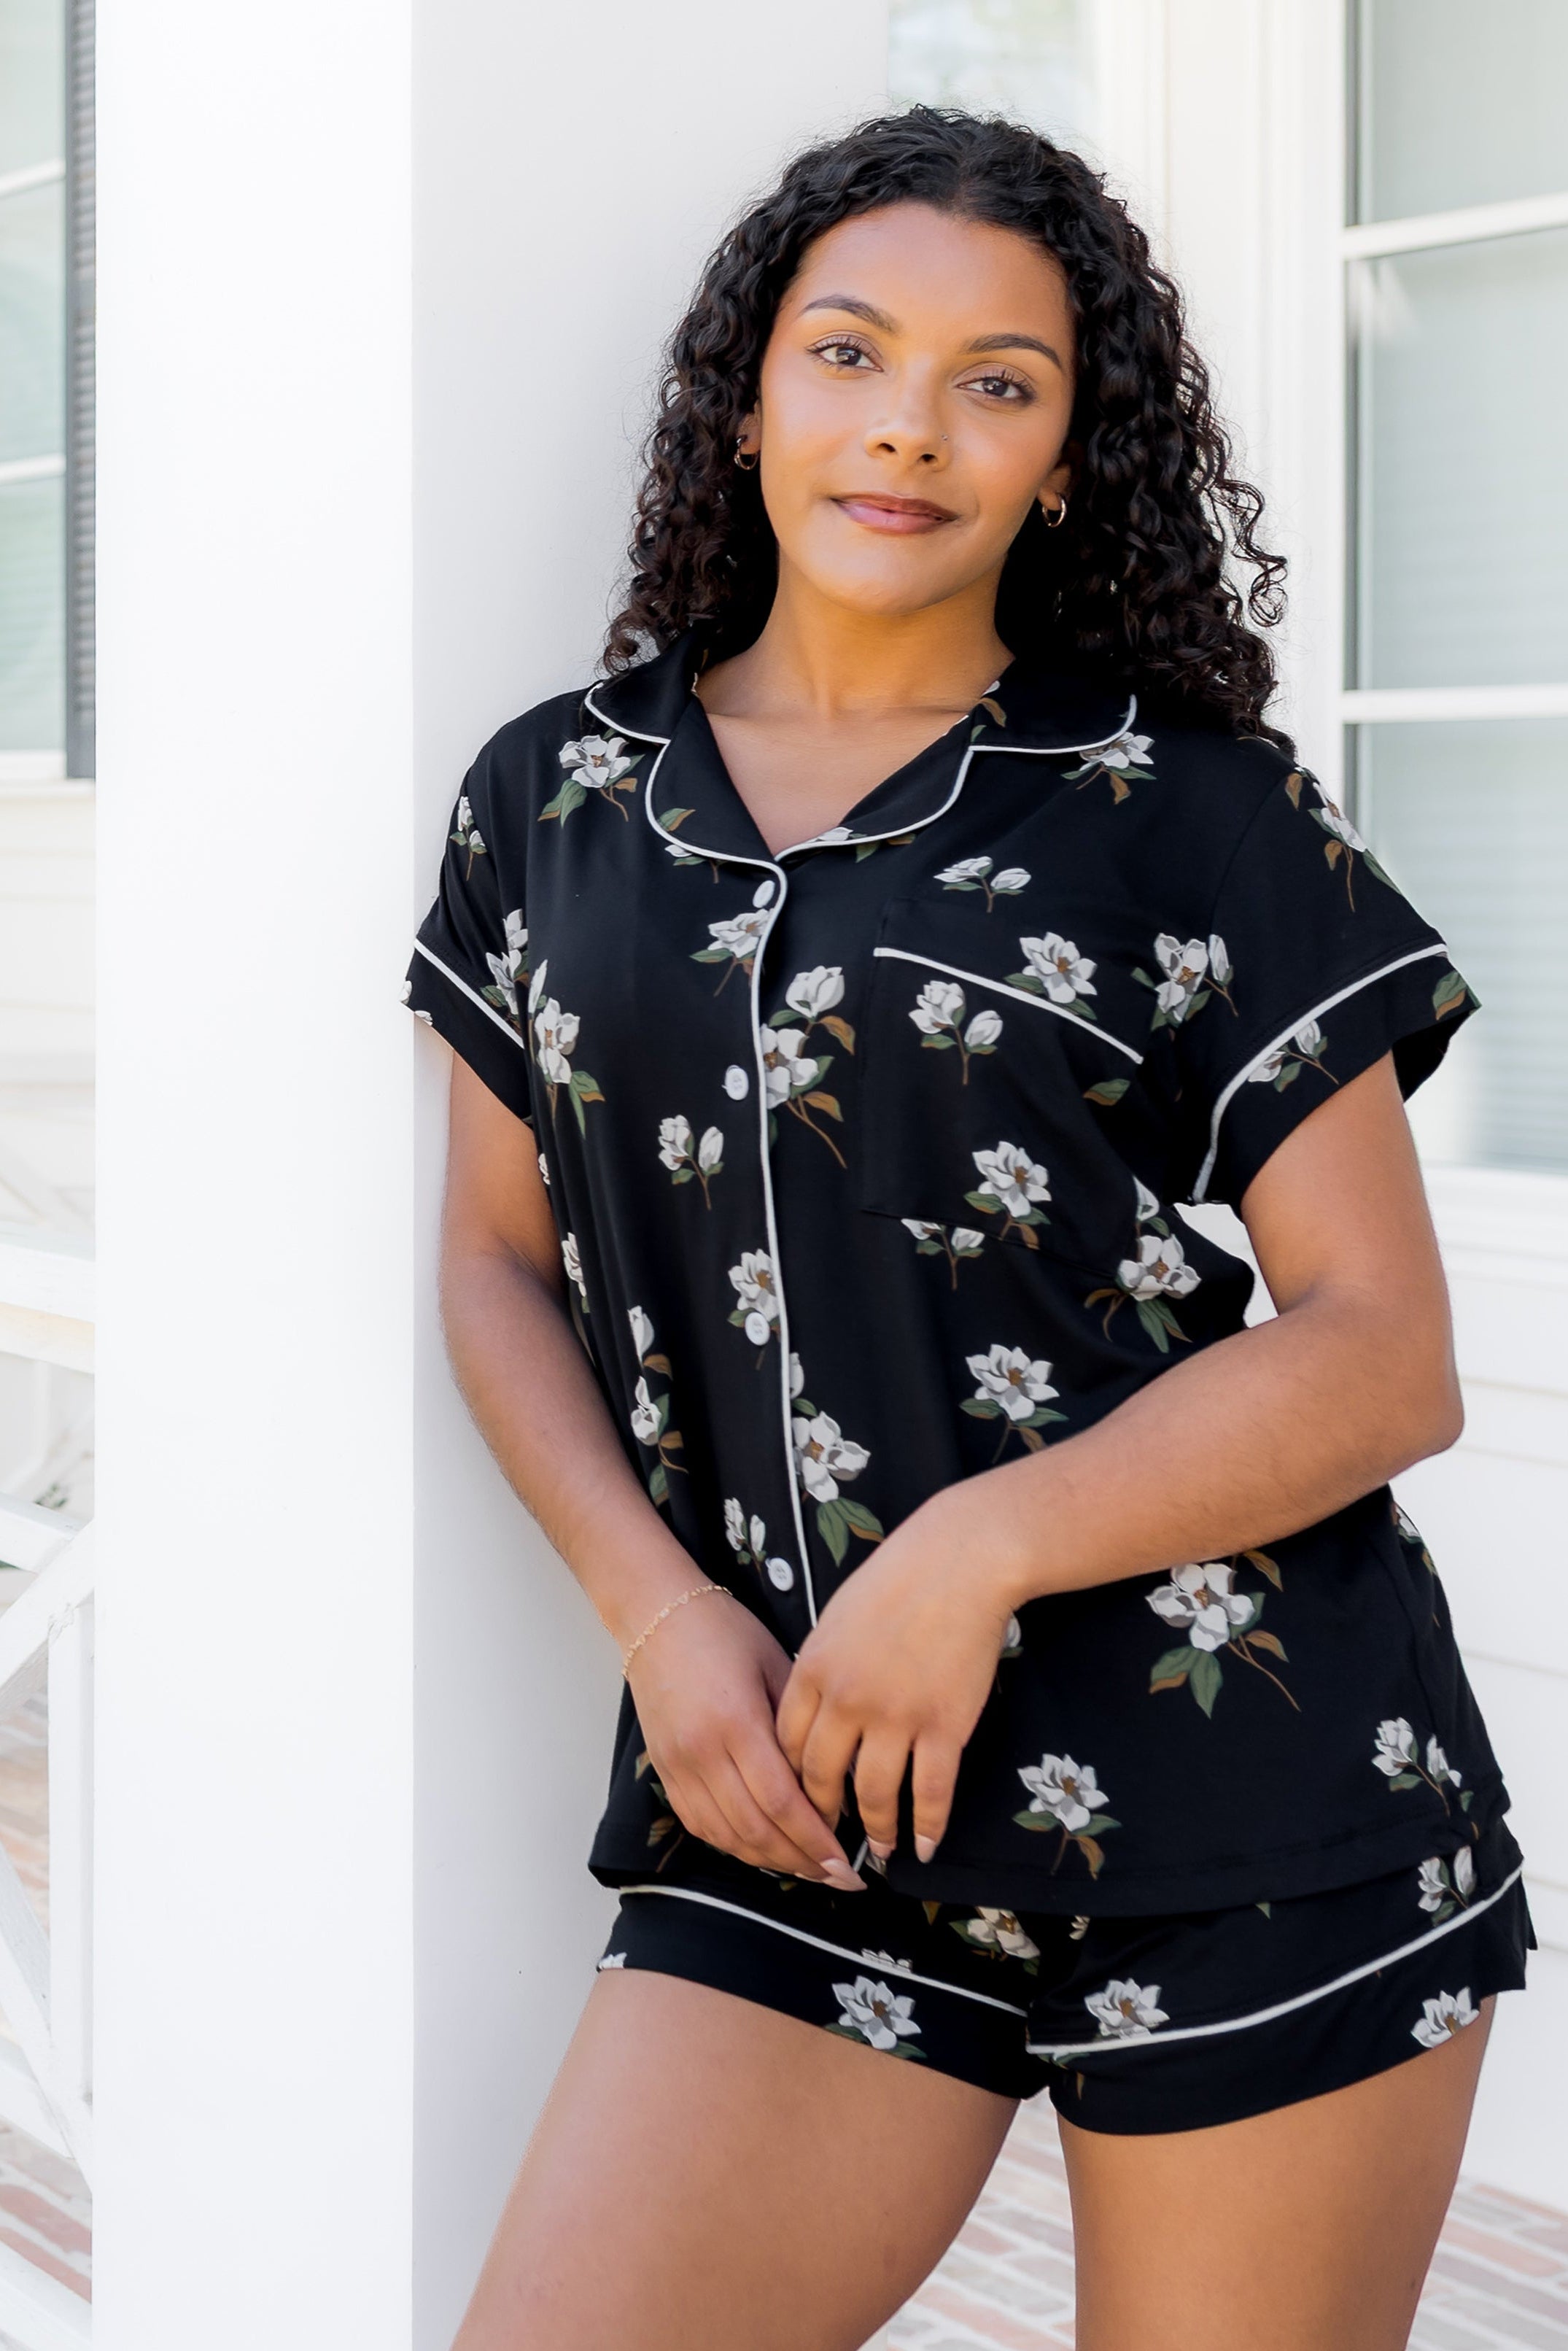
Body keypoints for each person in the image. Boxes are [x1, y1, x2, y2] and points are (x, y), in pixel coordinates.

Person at [405, 109, 1531, 2351]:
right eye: (850, 353)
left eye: (999, 382)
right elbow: (493, 1263)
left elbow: (1384, 1345)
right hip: (797, 1802)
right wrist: (654, 1616)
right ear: (749, 395)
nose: (909, 426)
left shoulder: (1185, 803)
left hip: (1255, 1808)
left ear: (1066, 457)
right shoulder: (553, 798)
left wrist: (972, 1551)